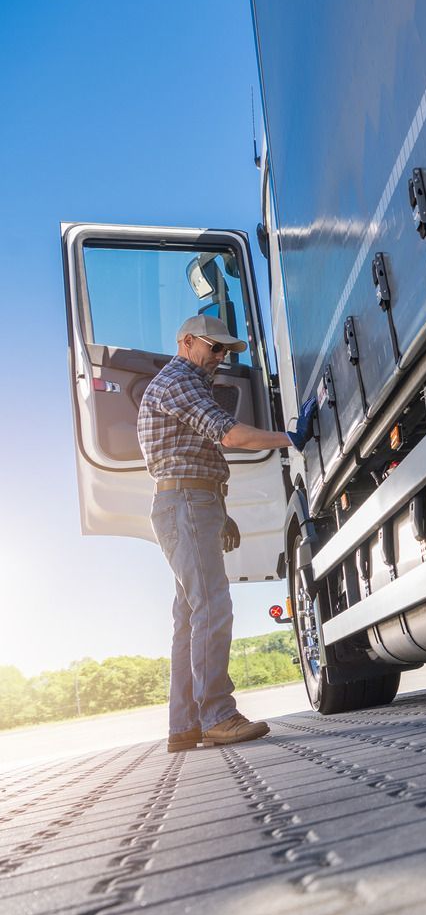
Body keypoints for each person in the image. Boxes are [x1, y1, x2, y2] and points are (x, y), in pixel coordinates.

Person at [137, 314, 315, 751]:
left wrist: (220, 509)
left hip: (190, 503)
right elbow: (230, 436)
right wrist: (290, 438)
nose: (220, 357)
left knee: (190, 618)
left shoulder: (187, 382)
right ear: (186, 342)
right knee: (212, 608)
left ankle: (184, 726)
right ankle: (217, 715)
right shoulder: (179, 380)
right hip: (185, 505)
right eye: (214, 348)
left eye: (225, 351)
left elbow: (192, 455)